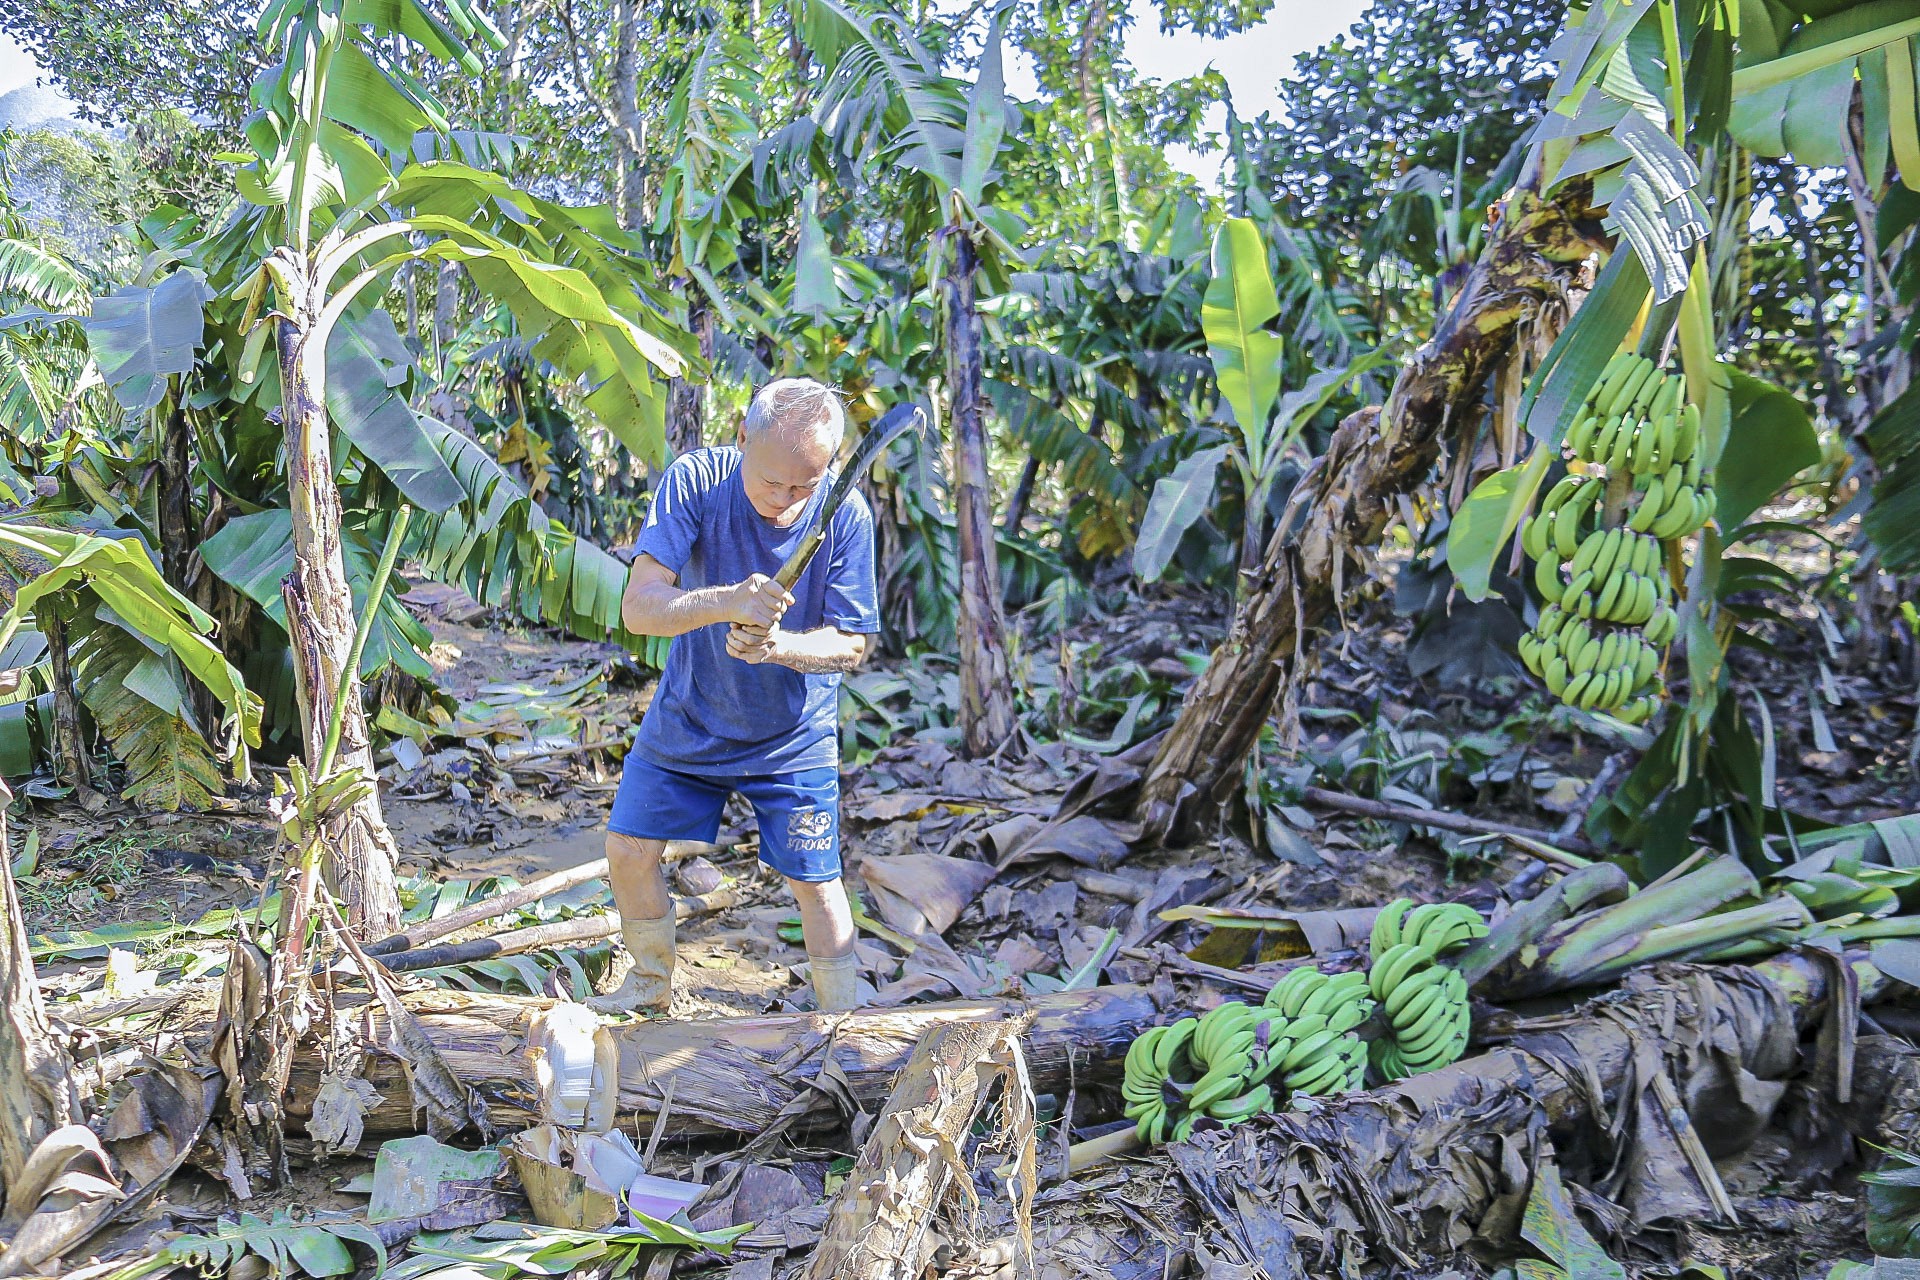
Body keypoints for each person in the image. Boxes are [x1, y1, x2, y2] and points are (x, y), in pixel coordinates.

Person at [589, 378, 878, 1015]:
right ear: (741, 438)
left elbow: (852, 645)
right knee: (629, 850)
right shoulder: (696, 482)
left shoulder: (845, 513)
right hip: (691, 713)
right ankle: (650, 982)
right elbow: (639, 609)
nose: (785, 501)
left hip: (792, 731)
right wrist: (727, 602)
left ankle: (842, 1021)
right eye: (772, 482)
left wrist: (779, 648)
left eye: (805, 486)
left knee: (815, 880)